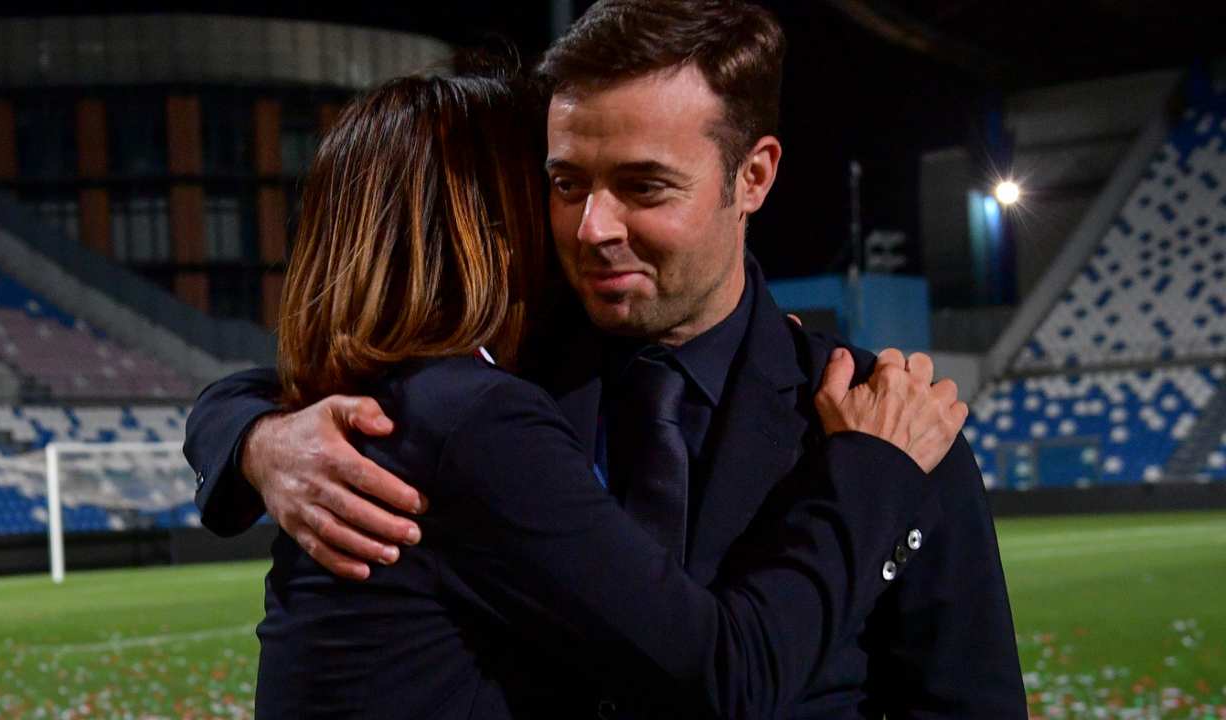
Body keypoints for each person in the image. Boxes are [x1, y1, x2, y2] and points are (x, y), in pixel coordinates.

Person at [186, 1, 1027, 717]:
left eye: (644, 186)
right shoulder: (493, 382)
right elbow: (328, 388)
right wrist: (259, 438)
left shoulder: (890, 422)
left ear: (753, 176)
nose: (593, 228)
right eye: (565, 184)